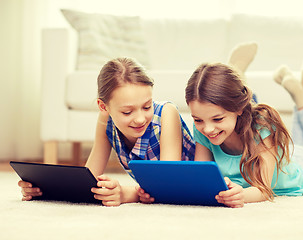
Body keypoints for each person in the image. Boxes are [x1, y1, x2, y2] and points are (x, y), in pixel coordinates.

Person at [185, 43, 303, 208]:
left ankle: (302, 99)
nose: (208, 129)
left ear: (239, 108)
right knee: (293, 146)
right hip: (281, 154)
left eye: (217, 119)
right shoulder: (203, 130)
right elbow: (202, 178)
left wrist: (241, 194)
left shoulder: (261, 125)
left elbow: (264, 189)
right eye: (198, 120)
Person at [18, 57, 195, 206]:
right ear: (104, 107)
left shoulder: (166, 113)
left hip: (197, 187)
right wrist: (43, 190)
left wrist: (126, 194)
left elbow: (168, 185)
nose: (140, 118)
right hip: (152, 190)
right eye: (127, 112)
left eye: (147, 106)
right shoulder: (106, 121)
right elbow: (89, 178)